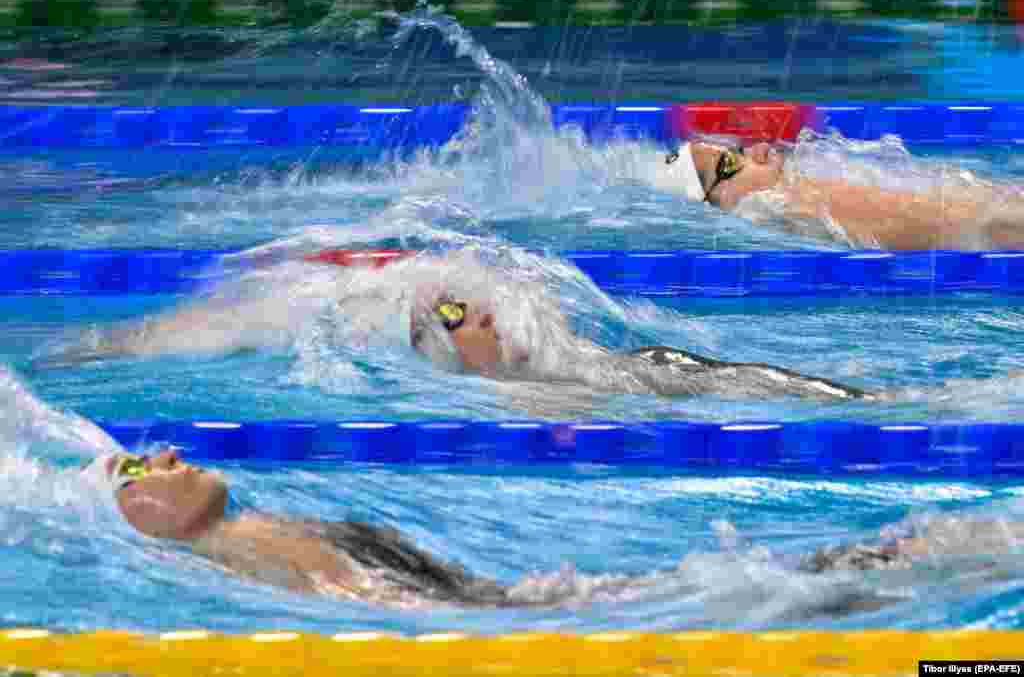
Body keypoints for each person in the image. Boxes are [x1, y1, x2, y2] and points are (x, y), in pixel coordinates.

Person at [102, 446, 1023, 609]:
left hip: (523, 601)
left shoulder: (258, 528)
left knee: (830, 571)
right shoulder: (242, 553)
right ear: (135, 522)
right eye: (137, 470)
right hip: (525, 618)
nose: (166, 454)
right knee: (824, 580)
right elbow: (397, 614)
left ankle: (967, 553)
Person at [37, 251, 874, 403]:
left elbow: (471, 322)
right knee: (687, 380)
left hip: (596, 374)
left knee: (688, 381)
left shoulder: (343, 299)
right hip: (607, 370)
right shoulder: (323, 296)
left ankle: (889, 394)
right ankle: (890, 394)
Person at [654, 136, 1024, 250]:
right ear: (720, 199)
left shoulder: (794, 199)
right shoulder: (788, 207)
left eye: (736, 148)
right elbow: (964, 221)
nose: (758, 149)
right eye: (733, 162)